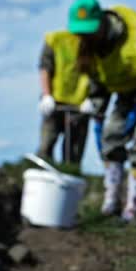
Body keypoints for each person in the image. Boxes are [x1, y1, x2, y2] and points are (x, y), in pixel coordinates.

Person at [64, 0, 136, 223]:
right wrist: (96, 107)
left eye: (89, 31)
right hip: (126, 90)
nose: (84, 36)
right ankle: (111, 201)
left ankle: (133, 208)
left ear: (102, 23)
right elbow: (99, 82)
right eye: (80, 32)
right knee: (111, 138)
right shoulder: (90, 47)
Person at [36, 26, 96, 168]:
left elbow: (99, 74)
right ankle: (43, 176)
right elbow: (45, 67)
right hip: (54, 103)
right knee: (46, 146)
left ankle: (69, 178)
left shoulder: (96, 44)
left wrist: (92, 98)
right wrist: (46, 95)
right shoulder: (56, 40)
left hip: (81, 106)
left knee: (72, 155)